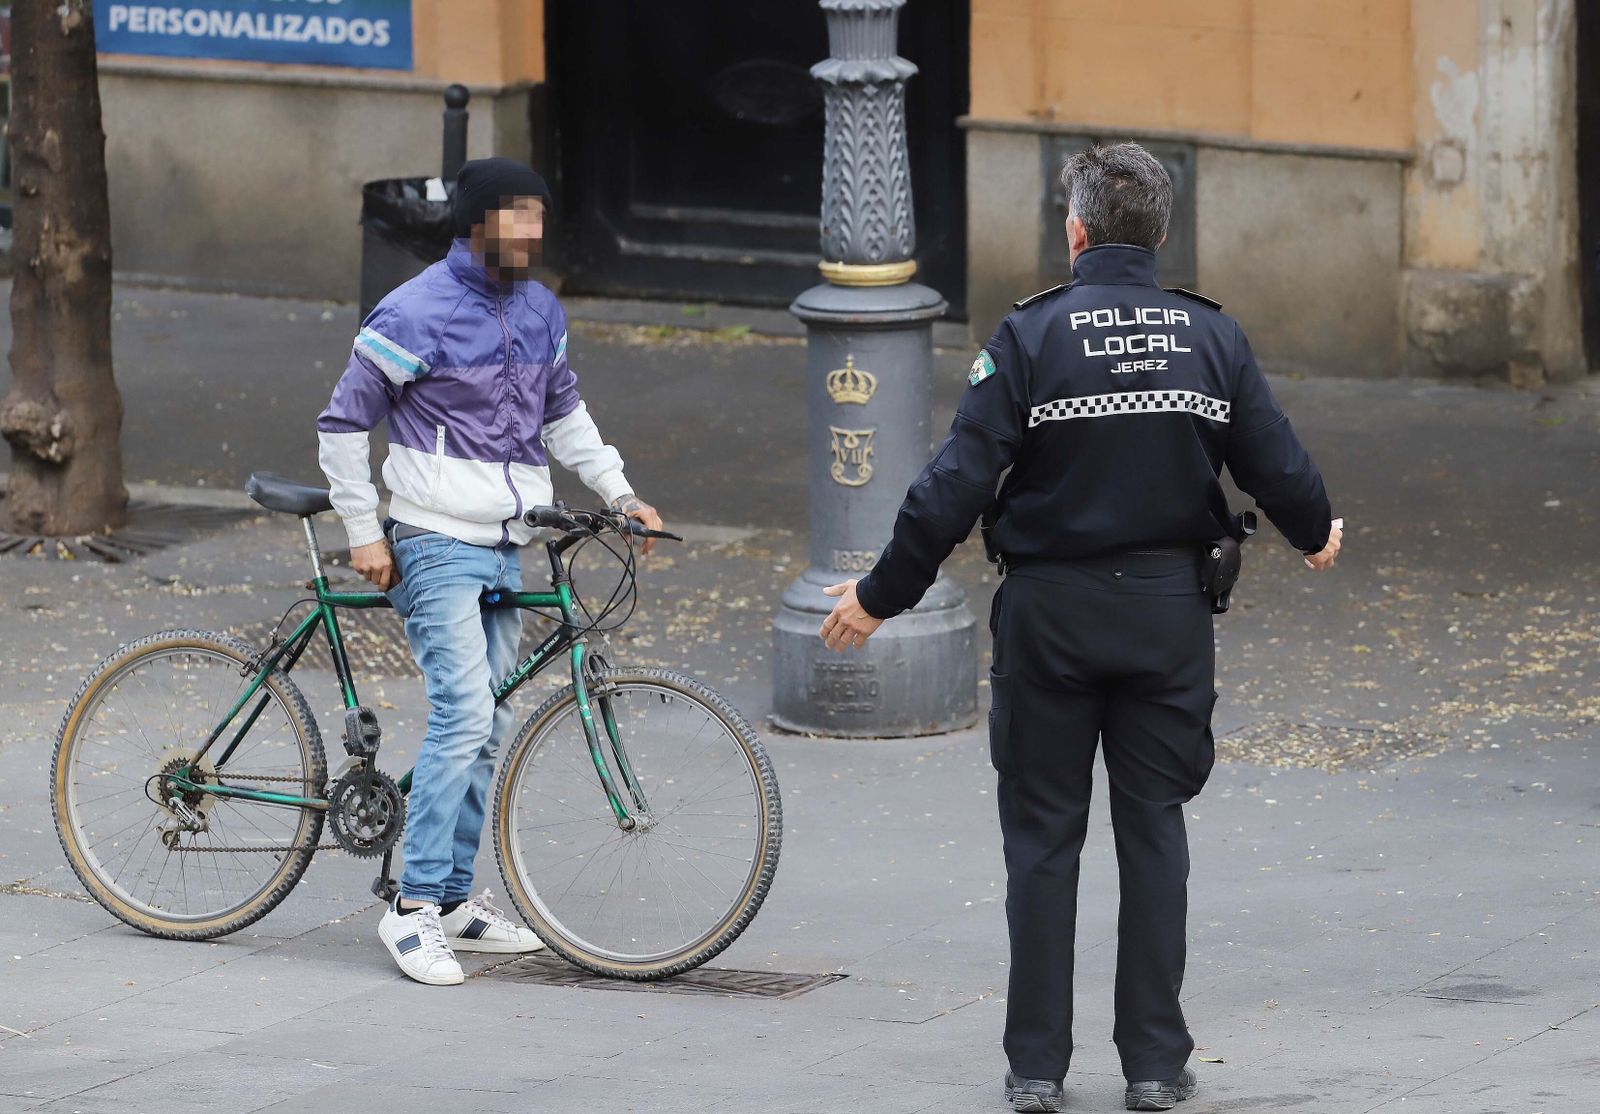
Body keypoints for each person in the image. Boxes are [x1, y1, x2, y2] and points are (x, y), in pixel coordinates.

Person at [818, 142, 1342, 1112]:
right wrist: (1315, 531)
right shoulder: (1211, 337)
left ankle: (1035, 1069)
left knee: (1041, 840)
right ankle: (1154, 1064)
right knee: (1154, 832)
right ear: (1160, 231)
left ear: (1075, 230)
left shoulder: (1029, 336)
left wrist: (880, 594)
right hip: (1165, 617)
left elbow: (956, 481)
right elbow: (1274, 459)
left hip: (1050, 619)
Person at [317, 157, 664, 986]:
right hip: (433, 539)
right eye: (518, 216)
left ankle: (449, 899)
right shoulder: (416, 310)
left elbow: (566, 415)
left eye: (539, 216)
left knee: (493, 722)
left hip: (507, 541)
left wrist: (620, 493)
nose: (534, 231)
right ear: (476, 223)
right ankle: (407, 908)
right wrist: (363, 530)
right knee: (465, 714)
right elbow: (343, 422)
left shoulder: (540, 310)